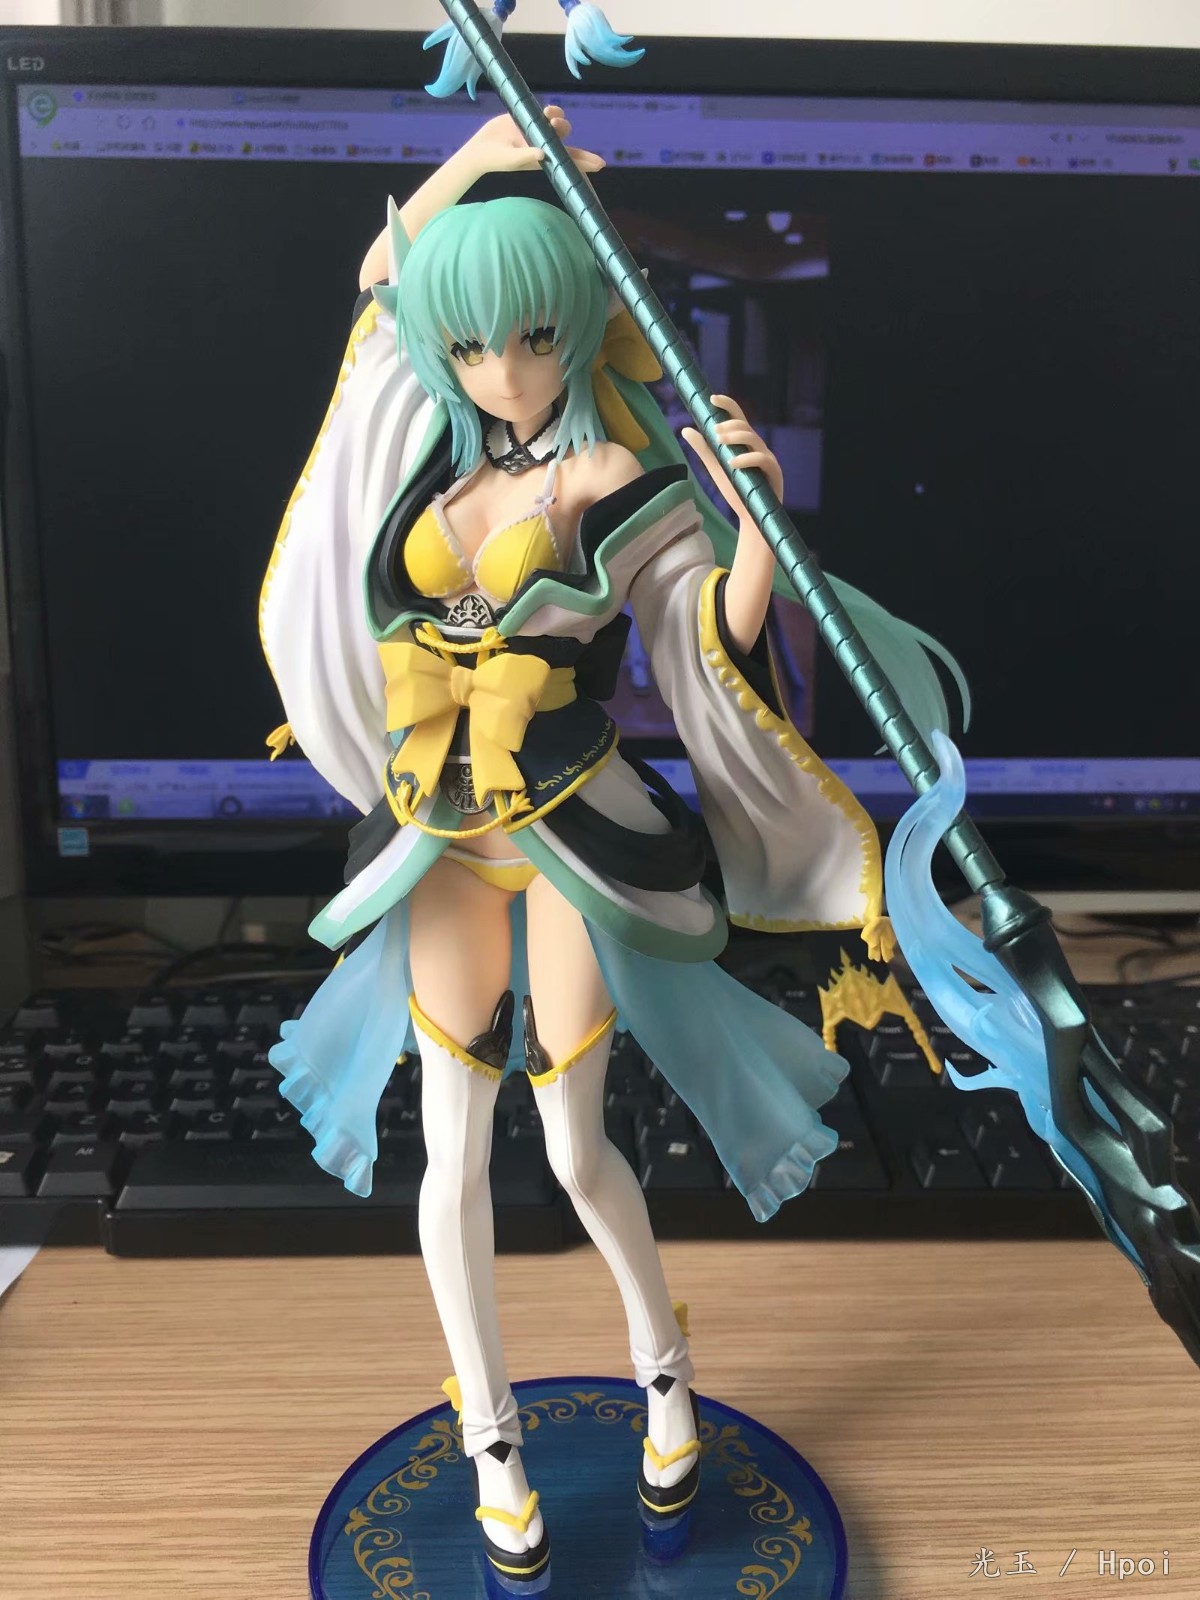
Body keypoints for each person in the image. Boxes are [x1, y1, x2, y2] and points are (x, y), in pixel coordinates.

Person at [260, 109, 964, 1581]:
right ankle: (491, 1440)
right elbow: (383, 282)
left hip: (575, 833)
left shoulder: (601, 482)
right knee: (450, 1154)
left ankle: (663, 1370)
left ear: (575, 328)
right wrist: (486, 149)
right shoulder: (430, 478)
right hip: (443, 839)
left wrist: (756, 527)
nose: (502, 373)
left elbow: (702, 630)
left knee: (577, 1146)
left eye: (529, 338)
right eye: (471, 346)